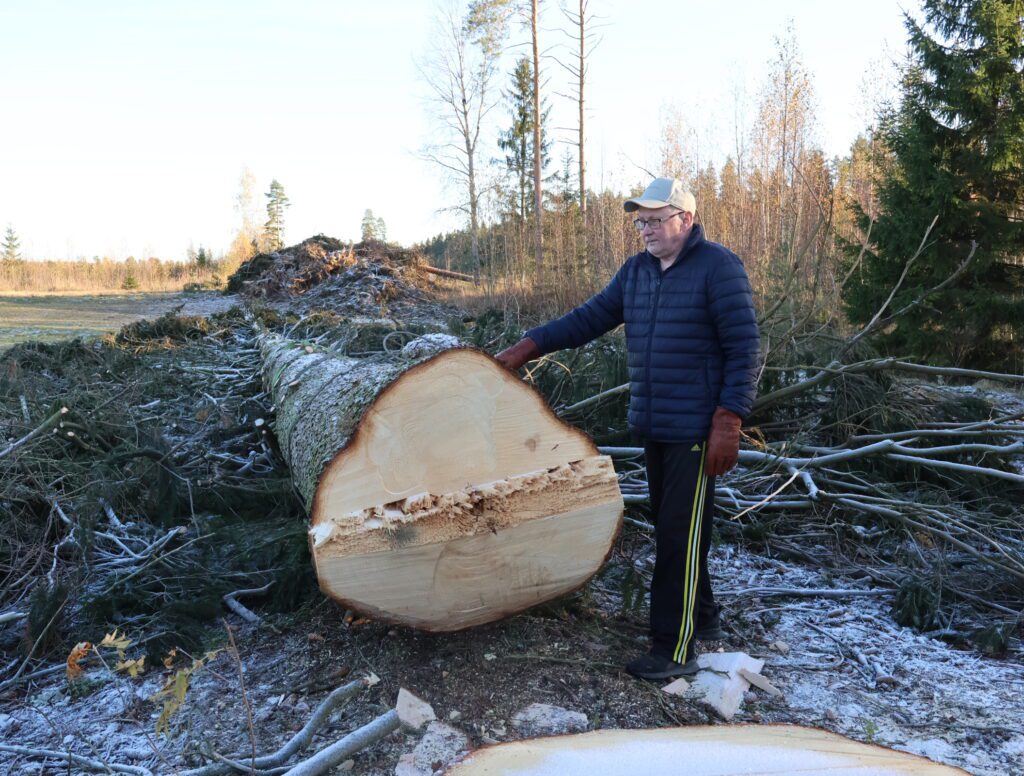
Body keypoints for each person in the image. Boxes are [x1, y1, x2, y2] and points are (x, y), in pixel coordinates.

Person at [496, 177, 760, 680]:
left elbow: (745, 348)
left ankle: (673, 648)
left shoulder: (718, 268)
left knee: (677, 538)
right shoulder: (637, 272)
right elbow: (588, 318)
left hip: (695, 431)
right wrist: (528, 346)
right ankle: (702, 616)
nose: (645, 230)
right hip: (654, 425)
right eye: (641, 221)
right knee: (677, 528)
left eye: (655, 220)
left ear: (684, 219)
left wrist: (729, 418)